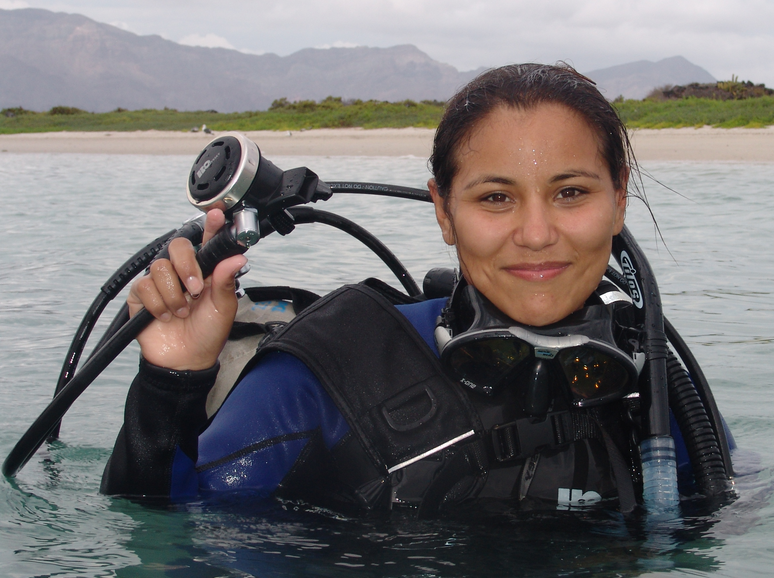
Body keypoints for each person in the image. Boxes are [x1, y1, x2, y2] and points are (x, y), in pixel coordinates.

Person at [101, 63, 722, 514]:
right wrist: (168, 385)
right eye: (496, 197)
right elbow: (165, 541)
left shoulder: (662, 395)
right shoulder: (330, 372)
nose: (537, 234)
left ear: (618, 203)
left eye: (571, 193)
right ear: (444, 212)